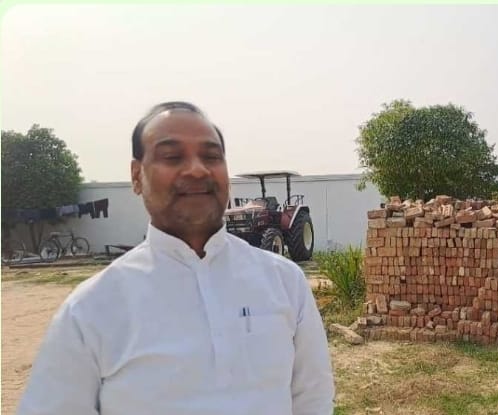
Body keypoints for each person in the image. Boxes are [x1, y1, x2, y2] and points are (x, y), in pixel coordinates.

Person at [17, 102, 335, 415]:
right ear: (136, 176)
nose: (197, 169)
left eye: (211, 156)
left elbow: (313, 399)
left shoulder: (285, 282)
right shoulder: (90, 309)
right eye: (172, 156)